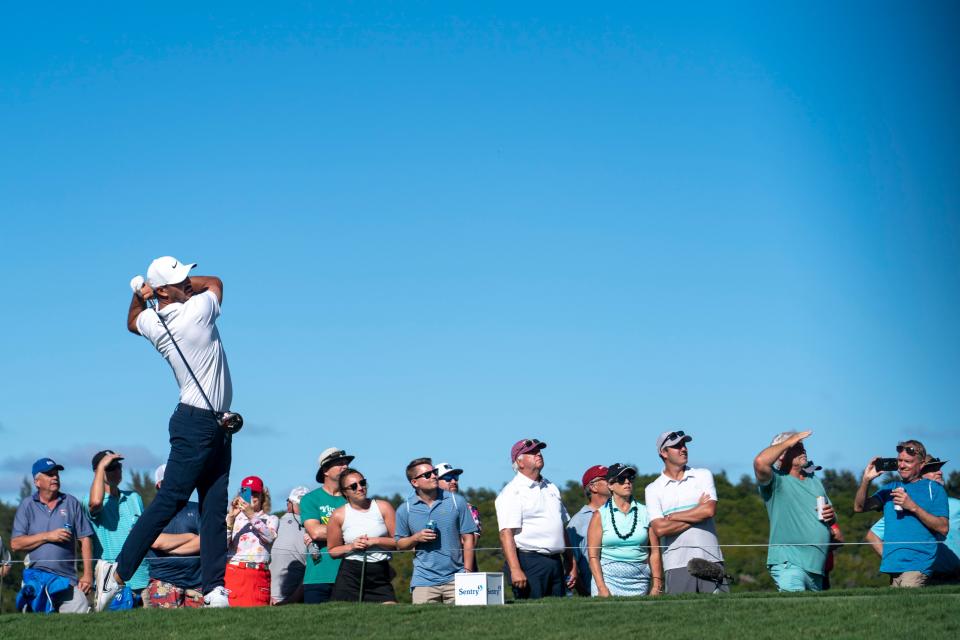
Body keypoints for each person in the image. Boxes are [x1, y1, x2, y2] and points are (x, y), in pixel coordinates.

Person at [107, 257, 233, 608]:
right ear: (163, 289)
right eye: (181, 279)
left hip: (213, 421)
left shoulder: (155, 321)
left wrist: (139, 294)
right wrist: (179, 287)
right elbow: (217, 282)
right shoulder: (197, 312)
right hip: (197, 422)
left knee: (214, 505)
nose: (189, 282)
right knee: (170, 500)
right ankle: (118, 573)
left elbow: (133, 321)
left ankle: (214, 588)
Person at [753, 431, 844, 592]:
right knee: (795, 607)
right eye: (797, 446)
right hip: (789, 563)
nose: (803, 450)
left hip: (817, 568)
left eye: (803, 446)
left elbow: (832, 520)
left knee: (812, 616)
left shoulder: (814, 480)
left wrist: (832, 518)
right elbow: (760, 462)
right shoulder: (777, 480)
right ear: (781, 454)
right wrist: (789, 441)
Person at [854, 439, 949, 587]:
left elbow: (943, 528)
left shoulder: (934, 489)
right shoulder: (889, 488)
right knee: (898, 608)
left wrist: (912, 506)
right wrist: (866, 480)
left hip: (917, 564)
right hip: (893, 566)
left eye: (908, 461)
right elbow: (859, 507)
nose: (902, 465)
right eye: (899, 460)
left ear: (922, 464)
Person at [645, 430, 727, 594]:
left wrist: (674, 517)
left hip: (711, 557)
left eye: (684, 445)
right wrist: (697, 511)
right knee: (680, 616)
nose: (683, 449)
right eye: (676, 446)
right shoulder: (653, 489)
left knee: (722, 614)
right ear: (663, 453)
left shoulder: (703, 475)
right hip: (676, 563)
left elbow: (709, 510)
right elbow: (660, 529)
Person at [494, 438, 577, 600]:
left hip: (555, 562)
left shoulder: (551, 487)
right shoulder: (512, 491)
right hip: (529, 562)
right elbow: (506, 534)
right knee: (532, 618)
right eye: (531, 452)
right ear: (520, 462)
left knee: (560, 617)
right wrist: (515, 569)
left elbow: (561, 528)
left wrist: (571, 563)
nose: (538, 453)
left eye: (538, 451)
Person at [11, 458, 94, 613]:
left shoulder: (71, 502)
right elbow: (16, 544)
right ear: (37, 482)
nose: (55, 477)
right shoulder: (27, 505)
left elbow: (85, 539)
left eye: (56, 474)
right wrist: (48, 536)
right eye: (49, 474)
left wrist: (88, 575)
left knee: (81, 608)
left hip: (67, 580)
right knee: (33, 625)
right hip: (36, 579)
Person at [395, 458, 478, 603]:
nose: (434, 476)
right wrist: (416, 538)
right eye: (427, 475)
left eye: (434, 472)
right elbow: (400, 544)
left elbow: (468, 537)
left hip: (457, 578)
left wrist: (467, 572)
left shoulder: (456, 501)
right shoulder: (405, 509)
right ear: (414, 482)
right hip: (423, 581)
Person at [84, 450, 150, 610]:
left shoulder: (134, 497)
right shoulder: (89, 501)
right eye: (110, 468)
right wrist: (101, 468)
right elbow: (96, 502)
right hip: (112, 584)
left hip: (143, 580)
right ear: (97, 472)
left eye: (118, 466)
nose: (117, 471)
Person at [587, 464, 662, 597]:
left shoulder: (646, 512)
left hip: (639, 580)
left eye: (630, 478)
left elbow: (655, 552)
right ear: (610, 485)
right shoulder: (599, 515)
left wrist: (657, 586)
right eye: (621, 479)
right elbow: (593, 556)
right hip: (608, 580)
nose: (627, 482)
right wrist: (601, 588)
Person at [326, 469, 399, 603]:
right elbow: (332, 551)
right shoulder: (338, 515)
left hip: (380, 572)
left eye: (362, 483)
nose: (360, 488)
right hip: (350, 574)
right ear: (345, 492)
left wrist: (375, 541)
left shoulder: (383, 507)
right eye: (354, 486)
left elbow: (399, 542)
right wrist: (352, 546)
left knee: (390, 614)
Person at [144, 464, 203, 609]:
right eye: (168, 482)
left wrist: (171, 548)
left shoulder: (197, 509)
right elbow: (156, 542)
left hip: (197, 582)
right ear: (159, 485)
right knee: (167, 629)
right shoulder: (151, 513)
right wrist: (190, 536)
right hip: (163, 581)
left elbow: (204, 542)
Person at [301, 447, 353, 604]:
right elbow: (315, 532)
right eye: (339, 463)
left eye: (346, 463)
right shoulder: (311, 499)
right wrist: (352, 533)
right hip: (318, 575)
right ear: (325, 470)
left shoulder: (354, 497)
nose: (345, 466)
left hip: (350, 574)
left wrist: (329, 532)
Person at [225, 475, 279, 606]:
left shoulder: (271, 519)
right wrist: (230, 519)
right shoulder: (233, 518)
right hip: (234, 572)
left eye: (255, 493)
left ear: (262, 496)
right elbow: (221, 546)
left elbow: (269, 537)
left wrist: (250, 515)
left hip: (258, 574)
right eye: (247, 493)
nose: (252, 497)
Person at [566, 465, 610, 596]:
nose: (613, 481)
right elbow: (571, 564)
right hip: (594, 592)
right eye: (607, 478)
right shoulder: (577, 522)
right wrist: (585, 593)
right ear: (593, 487)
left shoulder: (619, 513)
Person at [270, 486, 309, 604]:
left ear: (289, 504)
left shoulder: (273, 524)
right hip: (298, 596)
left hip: (271, 595)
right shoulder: (314, 529)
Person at [435, 462, 482, 536]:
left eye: (456, 477)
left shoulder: (470, 509)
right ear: (435, 481)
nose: (454, 481)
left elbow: (472, 542)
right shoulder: (425, 508)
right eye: (448, 478)